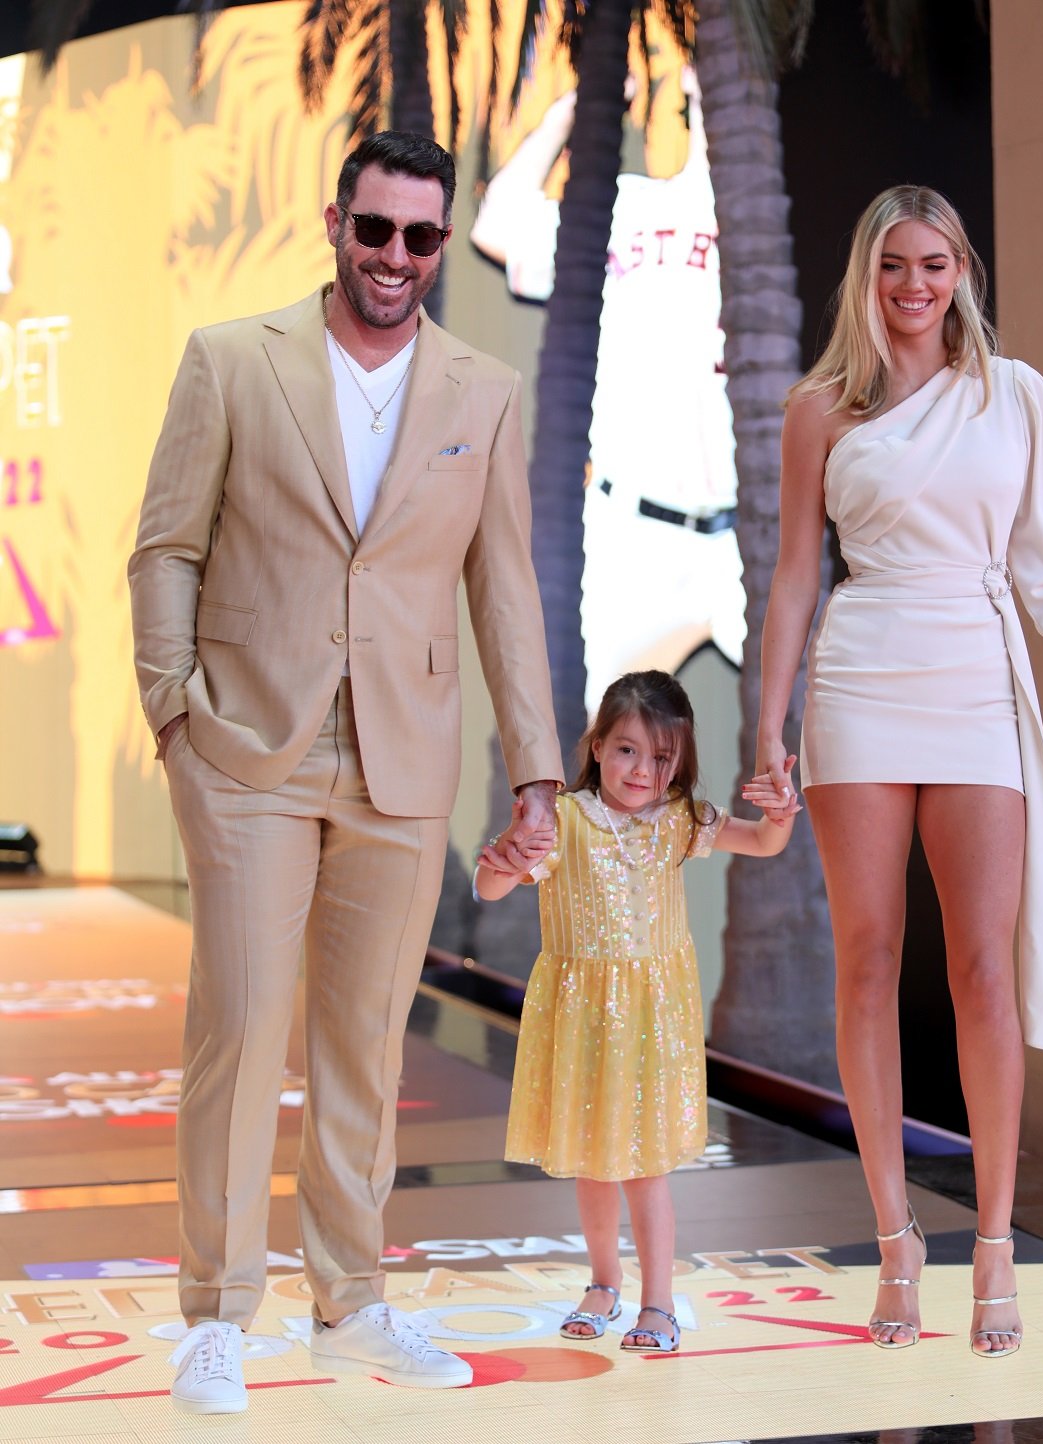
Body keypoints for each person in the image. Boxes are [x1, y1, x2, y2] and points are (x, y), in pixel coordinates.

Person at [128, 131, 562, 1414]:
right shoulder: (231, 360)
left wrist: (536, 767)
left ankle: (354, 1302)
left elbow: (507, 589)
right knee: (243, 1026)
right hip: (249, 743)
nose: (396, 258)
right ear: (336, 221)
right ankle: (213, 1312)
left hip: (402, 752)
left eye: (422, 238)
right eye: (375, 230)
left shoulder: (481, 388)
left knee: (368, 1045)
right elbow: (166, 547)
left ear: (440, 247)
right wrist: (173, 712)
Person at [755, 185, 1043, 1359]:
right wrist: (764, 729)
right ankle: (892, 1245)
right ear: (865, 280)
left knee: (983, 968)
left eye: (933, 264)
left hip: (979, 675)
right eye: (892, 267)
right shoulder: (819, 406)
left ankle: (993, 1244)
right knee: (867, 960)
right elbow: (790, 581)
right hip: (862, 677)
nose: (914, 287)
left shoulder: (1016, 396)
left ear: (963, 269)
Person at [476, 670, 794, 1352]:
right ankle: (602, 1279)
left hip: (653, 1024)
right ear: (596, 746)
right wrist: (504, 859)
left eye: (660, 757)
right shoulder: (562, 818)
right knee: (593, 1160)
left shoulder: (680, 823)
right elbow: (492, 886)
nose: (641, 769)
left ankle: (657, 1300)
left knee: (645, 1165)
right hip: (584, 1017)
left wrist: (781, 812)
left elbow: (765, 843)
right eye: (626, 749)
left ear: (678, 764)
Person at [470, 69, 746, 715]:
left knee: (827, 722)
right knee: (586, 744)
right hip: (634, 533)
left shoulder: (758, 214)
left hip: (744, 536)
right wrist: (571, 110)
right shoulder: (621, 208)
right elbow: (496, 224)